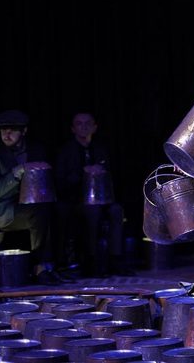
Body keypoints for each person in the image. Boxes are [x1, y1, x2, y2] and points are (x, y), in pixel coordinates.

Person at [0, 109, 73, 285]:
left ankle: (57, 265)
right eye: (3, 130)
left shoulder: (35, 149)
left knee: (58, 210)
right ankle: (39, 267)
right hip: (3, 209)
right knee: (38, 212)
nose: (7, 134)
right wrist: (18, 171)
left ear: (24, 131)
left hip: (30, 203)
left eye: (13, 130)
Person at [55, 111, 133, 276]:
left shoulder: (101, 149)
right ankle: (91, 260)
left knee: (116, 210)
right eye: (79, 123)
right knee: (92, 211)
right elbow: (60, 182)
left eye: (87, 123)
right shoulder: (66, 151)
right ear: (73, 128)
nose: (83, 127)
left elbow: (112, 177)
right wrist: (83, 173)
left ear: (94, 127)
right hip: (76, 200)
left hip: (102, 198)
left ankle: (115, 259)